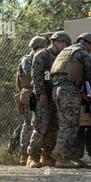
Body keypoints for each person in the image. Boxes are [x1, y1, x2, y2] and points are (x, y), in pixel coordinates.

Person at [50, 33, 91, 168]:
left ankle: (71, 156)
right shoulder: (83, 53)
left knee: (69, 123)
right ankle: (61, 158)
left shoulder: (65, 51)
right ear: (89, 45)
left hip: (56, 90)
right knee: (69, 125)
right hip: (69, 90)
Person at [27, 31, 72, 168]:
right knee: (41, 127)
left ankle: (46, 156)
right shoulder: (42, 55)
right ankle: (32, 156)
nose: (63, 46)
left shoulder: (62, 58)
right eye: (60, 42)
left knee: (53, 127)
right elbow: (36, 77)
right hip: (43, 97)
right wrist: (41, 94)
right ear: (54, 42)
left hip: (55, 96)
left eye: (65, 43)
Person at [15, 35, 49, 165]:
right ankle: (25, 155)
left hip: (37, 93)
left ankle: (38, 155)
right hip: (30, 94)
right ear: (41, 46)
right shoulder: (28, 59)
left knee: (36, 124)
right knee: (29, 124)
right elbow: (33, 73)